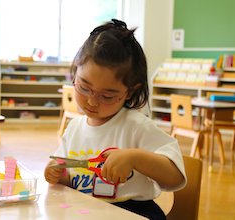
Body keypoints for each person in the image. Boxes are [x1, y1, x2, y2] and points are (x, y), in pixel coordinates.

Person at [44, 19, 187, 220]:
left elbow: (175, 178)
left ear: (130, 91)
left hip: (132, 212)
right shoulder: (74, 127)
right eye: (84, 88)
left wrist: (135, 158)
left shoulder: (136, 126)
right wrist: (60, 176)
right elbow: (71, 177)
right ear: (75, 72)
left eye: (107, 96)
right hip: (87, 210)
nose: (92, 102)